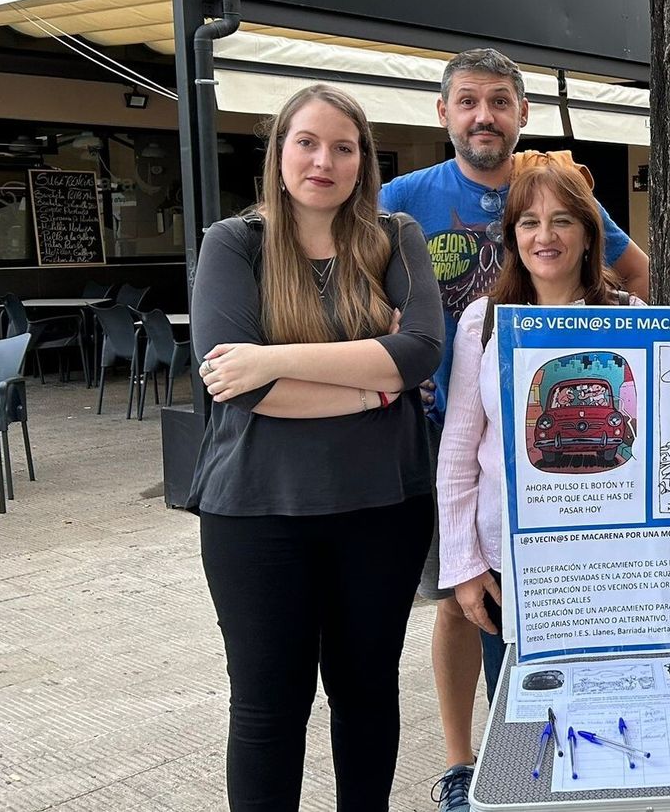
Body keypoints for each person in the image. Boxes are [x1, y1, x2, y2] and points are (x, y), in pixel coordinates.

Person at [377, 48, 649, 810]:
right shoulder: (410, 208)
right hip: (460, 458)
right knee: (464, 615)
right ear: (444, 112)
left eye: (498, 101)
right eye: (467, 101)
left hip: (594, 550)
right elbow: (459, 454)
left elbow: (638, 280)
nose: (483, 116)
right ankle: (466, 765)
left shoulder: (623, 317)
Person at [189, 84, 443, 810]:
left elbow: (420, 350)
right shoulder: (233, 242)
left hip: (384, 506)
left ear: (364, 161)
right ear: (279, 150)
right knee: (268, 707)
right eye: (307, 142)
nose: (323, 161)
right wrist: (374, 383)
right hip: (258, 512)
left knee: (367, 693)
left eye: (343, 147)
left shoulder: (395, 236)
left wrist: (273, 358)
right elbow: (237, 385)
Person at [433, 156, 646, 758]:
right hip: (509, 562)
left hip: (607, 565)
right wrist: (464, 564)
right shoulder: (484, 322)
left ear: (588, 235)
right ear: (512, 237)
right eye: (528, 222)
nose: (544, 236)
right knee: (524, 722)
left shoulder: (629, 318)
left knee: (605, 713)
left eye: (561, 221)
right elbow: (459, 452)